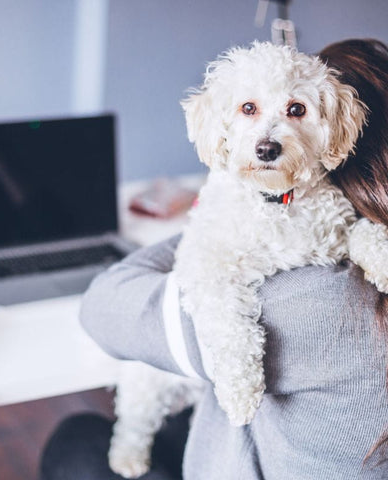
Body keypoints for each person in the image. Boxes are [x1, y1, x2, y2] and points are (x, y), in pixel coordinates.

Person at [39, 39, 388, 480]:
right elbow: (337, 232)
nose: (268, 138)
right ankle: (134, 438)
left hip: (229, 433)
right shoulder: (344, 224)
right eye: (249, 110)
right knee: (146, 413)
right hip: (242, 413)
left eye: (295, 111)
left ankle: (131, 441)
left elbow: (102, 308)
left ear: (338, 134)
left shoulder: (306, 305)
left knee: (75, 442)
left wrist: (197, 227)